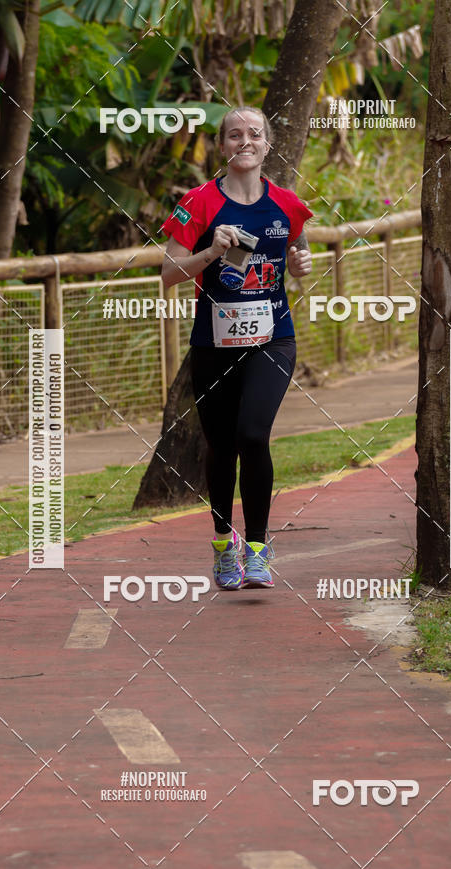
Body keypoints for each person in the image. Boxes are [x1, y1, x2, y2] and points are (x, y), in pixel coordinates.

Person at [161, 106, 313, 589]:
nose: (244, 141)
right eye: (234, 135)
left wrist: (300, 262)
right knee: (221, 446)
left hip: (273, 338)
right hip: (215, 343)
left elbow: (296, 250)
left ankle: (261, 550)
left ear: (267, 144)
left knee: (253, 435)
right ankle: (225, 546)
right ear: (222, 147)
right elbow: (167, 275)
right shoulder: (199, 203)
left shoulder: (287, 203)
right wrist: (211, 251)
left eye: (254, 134)